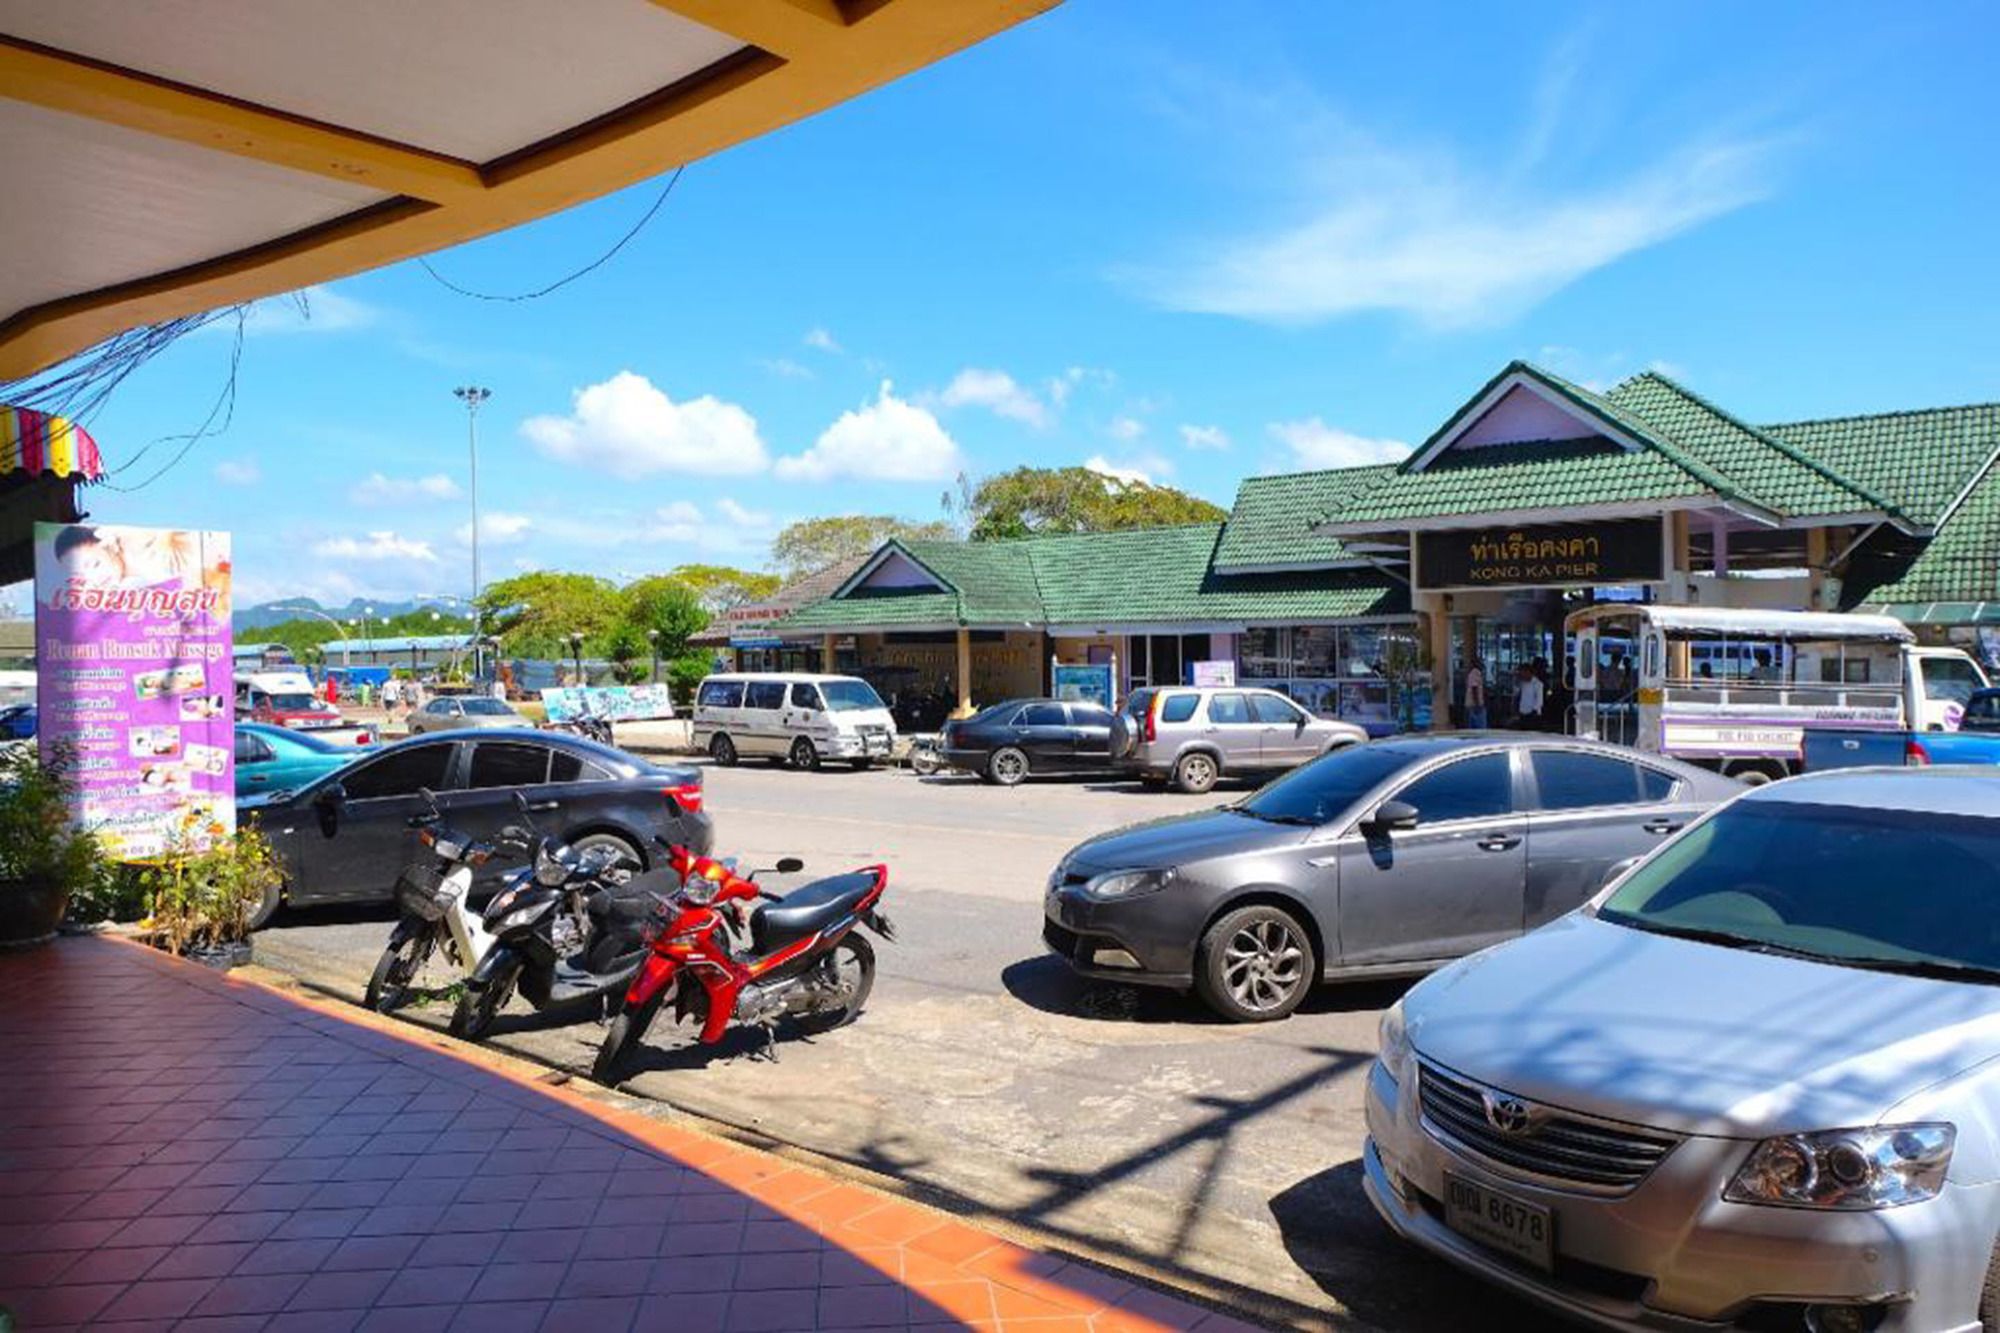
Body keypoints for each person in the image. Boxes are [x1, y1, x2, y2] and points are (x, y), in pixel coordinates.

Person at [1515, 663, 1544, 729]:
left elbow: (1539, 700)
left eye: (1523, 673)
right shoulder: (1522, 683)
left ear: (1528, 672)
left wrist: (1534, 710)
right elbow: (1516, 692)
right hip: (1522, 712)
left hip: (1533, 714)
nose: (1522, 676)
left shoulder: (1537, 684)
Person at [1464, 656, 1488, 730]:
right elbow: (1474, 688)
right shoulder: (1475, 672)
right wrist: (1477, 705)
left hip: (1472, 705)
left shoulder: (1472, 673)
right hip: (1475, 706)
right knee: (1480, 729)